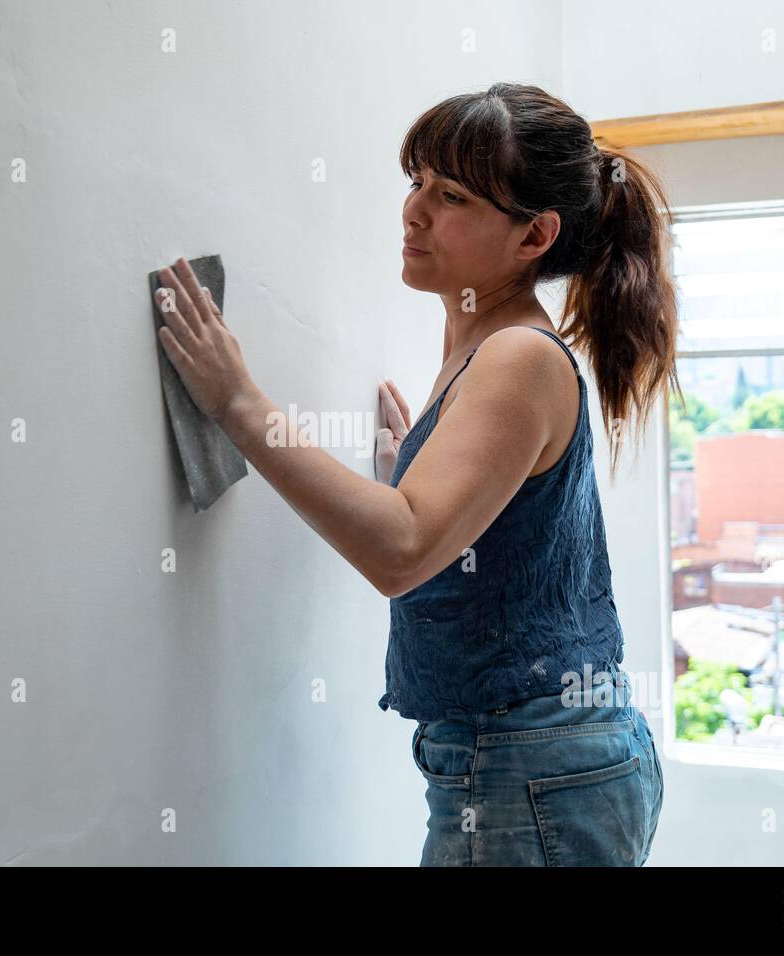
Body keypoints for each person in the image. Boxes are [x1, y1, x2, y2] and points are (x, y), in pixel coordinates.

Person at [152, 81, 679, 866]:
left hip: (530, 767)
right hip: (536, 764)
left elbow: (400, 552)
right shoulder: (485, 348)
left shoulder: (518, 357)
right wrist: (419, 480)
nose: (415, 211)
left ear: (534, 236)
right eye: (417, 183)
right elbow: (468, 531)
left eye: (453, 195)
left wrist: (237, 402)